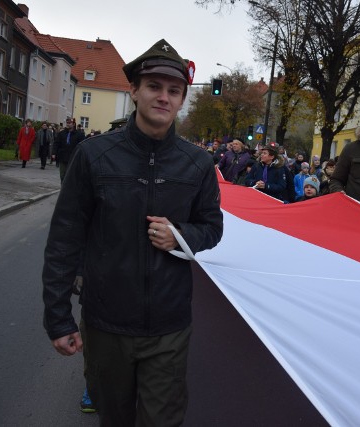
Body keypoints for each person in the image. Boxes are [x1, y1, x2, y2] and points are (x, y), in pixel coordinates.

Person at [42, 39, 223, 426]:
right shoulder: (95, 155)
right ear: (134, 91)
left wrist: (181, 236)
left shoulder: (198, 163)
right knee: (115, 418)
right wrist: (59, 318)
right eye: (154, 87)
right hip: (106, 322)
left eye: (174, 91)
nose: (163, 97)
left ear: (182, 100)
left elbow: (212, 228)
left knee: (162, 420)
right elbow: (64, 238)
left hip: (168, 326)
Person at [52, 117, 84, 182]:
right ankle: (63, 190)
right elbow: (56, 143)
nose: (68, 124)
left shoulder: (79, 134)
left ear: (74, 124)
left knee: (71, 176)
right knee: (62, 175)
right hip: (63, 157)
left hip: (73, 158)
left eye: (70, 123)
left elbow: (82, 146)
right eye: (67, 123)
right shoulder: (61, 133)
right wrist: (53, 153)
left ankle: (70, 190)